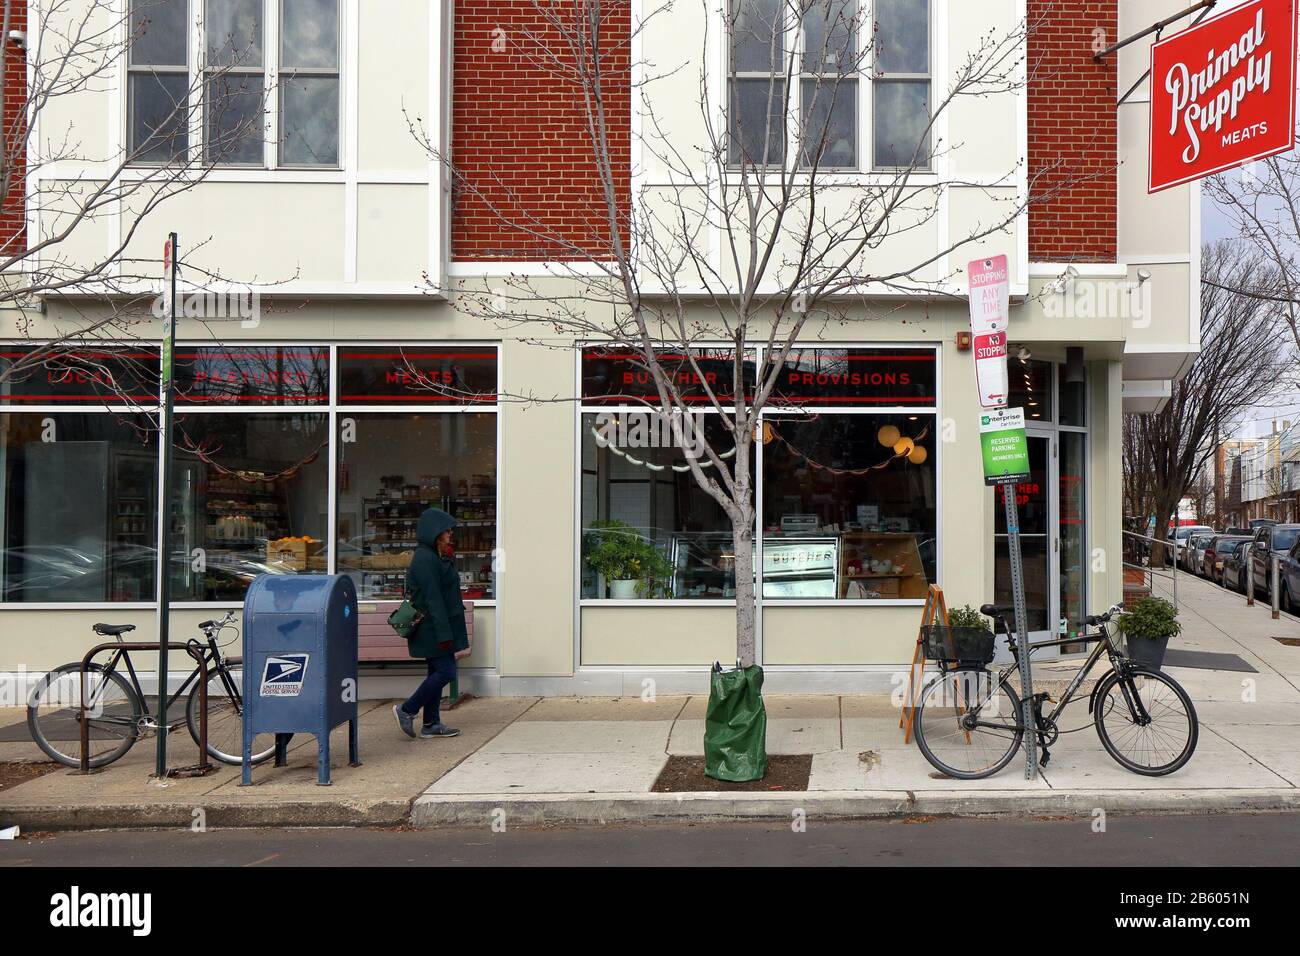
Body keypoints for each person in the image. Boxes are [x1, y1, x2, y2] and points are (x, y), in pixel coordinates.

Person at [393, 507, 470, 739]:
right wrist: (444, 634)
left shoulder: (435, 555)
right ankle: (407, 710)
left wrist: (446, 558)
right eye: (446, 530)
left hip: (438, 626)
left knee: (436, 672)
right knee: (446, 672)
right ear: (434, 533)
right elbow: (433, 599)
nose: (450, 534)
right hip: (433, 628)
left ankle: (431, 723)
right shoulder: (425, 559)